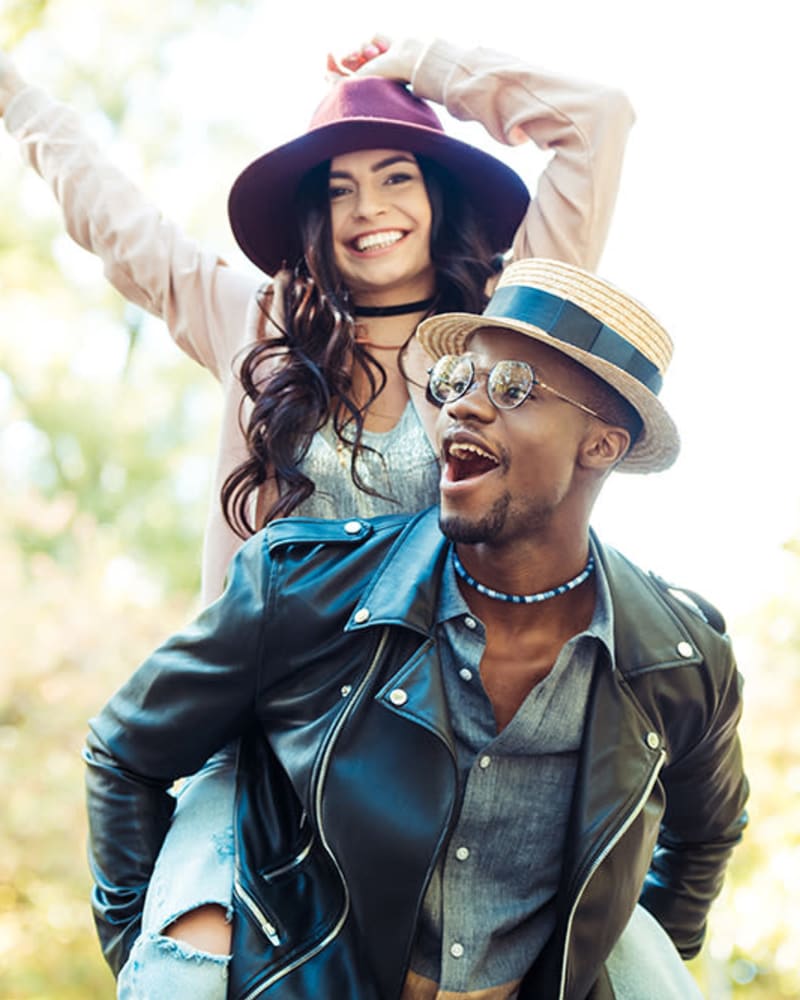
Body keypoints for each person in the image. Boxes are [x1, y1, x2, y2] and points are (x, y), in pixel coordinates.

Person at [2, 34, 636, 996]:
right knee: (169, 975)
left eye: (394, 177)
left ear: (438, 197)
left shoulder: (513, 327)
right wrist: (13, 93)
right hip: (269, 751)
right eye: (339, 188)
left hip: (458, 754)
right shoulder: (255, 329)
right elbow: (109, 216)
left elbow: (595, 122)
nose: (369, 209)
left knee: (647, 975)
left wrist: (423, 62)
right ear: (311, 214)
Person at [85, 256, 749, 999]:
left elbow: (705, 837)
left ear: (602, 445)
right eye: (458, 381)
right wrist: (146, 953)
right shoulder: (305, 590)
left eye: (512, 387)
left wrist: (601, 960)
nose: (462, 406)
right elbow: (123, 753)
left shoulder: (681, 661)